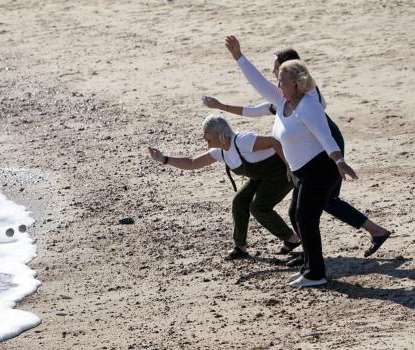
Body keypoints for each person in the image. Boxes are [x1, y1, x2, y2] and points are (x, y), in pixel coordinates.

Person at [203, 47, 391, 262]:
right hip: (316, 149)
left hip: (324, 146)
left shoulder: (307, 98)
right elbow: (256, 109)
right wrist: (221, 106)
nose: (273, 73)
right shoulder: (286, 97)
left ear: (291, 72)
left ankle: (326, 253)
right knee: (307, 206)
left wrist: (338, 159)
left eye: (277, 68)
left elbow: (318, 127)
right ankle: (369, 233)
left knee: (320, 202)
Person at [221, 35, 360, 288]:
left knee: (306, 218)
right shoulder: (283, 101)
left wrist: (339, 161)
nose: (277, 83)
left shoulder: (309, 105)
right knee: (298, 214)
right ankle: (309, 268)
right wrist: (238, 57)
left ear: (296, 83)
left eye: (282, 80)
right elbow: (259, 84)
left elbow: (325, 135)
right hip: (305, 172)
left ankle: (316, 273)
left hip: (321, 169)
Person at [148, 115, 300, 260]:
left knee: (258, 207)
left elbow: (274, 142)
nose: (203, 137)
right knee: (239, 202)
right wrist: (164, 159)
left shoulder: (242, 141)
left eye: (206, 133)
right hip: (261, 177)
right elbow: (193, 163)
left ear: (217, 132)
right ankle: (240, 247)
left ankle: (291, 238)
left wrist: (289, 166)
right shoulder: (219, 151)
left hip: (282, 173)